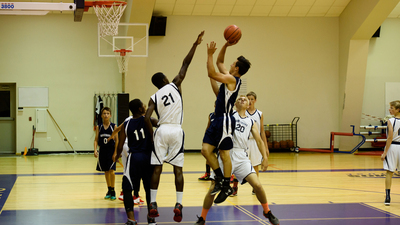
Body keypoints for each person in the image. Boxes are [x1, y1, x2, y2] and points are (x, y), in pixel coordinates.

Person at [144, 31, 205, 222]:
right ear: (164, 80)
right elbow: (185, 64)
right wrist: (195, 44)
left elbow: (146, 117)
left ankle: (153, 203)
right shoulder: (176, 84)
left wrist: (152, 132)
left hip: (161, 131)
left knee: (157, 168)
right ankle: (178, 204)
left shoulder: (153, 97)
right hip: (177, 131)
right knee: (178, 170)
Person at [194, 96, 279, 225]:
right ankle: (202, 218)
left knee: (258, 185)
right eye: (239, 99)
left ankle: (267, 211)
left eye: (245, 99)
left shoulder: (251, 122)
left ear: (249, 104)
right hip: (226, 153)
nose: (242, 100)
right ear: (234, 104)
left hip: (241, 157)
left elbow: (259, 141)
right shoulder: (229, 116)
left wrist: (265, 157)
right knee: (212, 189)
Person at [201, 40, 251, 204]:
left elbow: (211, 72)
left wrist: (209, 54)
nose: (230, 63)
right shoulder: (231, 77)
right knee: (205, 150)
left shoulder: (232, 80)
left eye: (233, 62)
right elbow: (219, 62)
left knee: (224, 153)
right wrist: (226, 45)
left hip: (225, 119)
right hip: (218, 118)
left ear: (236, 68)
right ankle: (221, 179)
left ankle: (226, 183)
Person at [114, 99, 159, 225]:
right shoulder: (149, 119)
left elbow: (120, 144)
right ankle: (151, 219)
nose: (145, 106)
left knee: (127, 188)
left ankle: (131, 219)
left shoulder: (126, 124)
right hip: (149, 158)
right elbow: (159, 125)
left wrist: (116, 156)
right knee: (149, 188)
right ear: (140, 109)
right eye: (143, 105)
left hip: (134, 158)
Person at [235, 91, 269, 196]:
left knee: (255, 166)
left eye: (251, 99)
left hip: (254, 142)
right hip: (243, 141)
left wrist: (266, 147)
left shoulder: (259, 113)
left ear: (255, 100)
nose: (249, 101)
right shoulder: (240, 113)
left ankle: (255, 187)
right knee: (237, 165)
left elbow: (262, 131)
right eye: (248, 99)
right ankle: (234, 187)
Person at [109, 117, 145, 205]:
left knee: (126, 170)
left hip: (124, 145)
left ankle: (123, 193)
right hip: (131, 146)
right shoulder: (141, 119)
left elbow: (117, 129)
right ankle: (135, 196)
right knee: (136, 172)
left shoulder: (128, 119)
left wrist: (111, 136)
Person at [94, 107, 118, 200]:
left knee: (112, 171)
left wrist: (115, 153)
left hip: (111, 151)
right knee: (106, 171)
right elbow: (96, 140)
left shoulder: (114, 126)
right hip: (102, 151)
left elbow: (117, 141)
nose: (106, 115)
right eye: (104, 113)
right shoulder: (98, 127)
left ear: (110, 115)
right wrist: (95, 150)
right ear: (101, 115)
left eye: (108, 113)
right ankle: (109, 189)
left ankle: (113, 190)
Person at [381, 100, 400, 206]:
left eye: (392, 108)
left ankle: (388, 197)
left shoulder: (391, 121)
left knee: (389, 172)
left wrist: (384, 153)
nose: (390, 109)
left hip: (393, 146)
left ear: (398, 110)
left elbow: (389, 137)